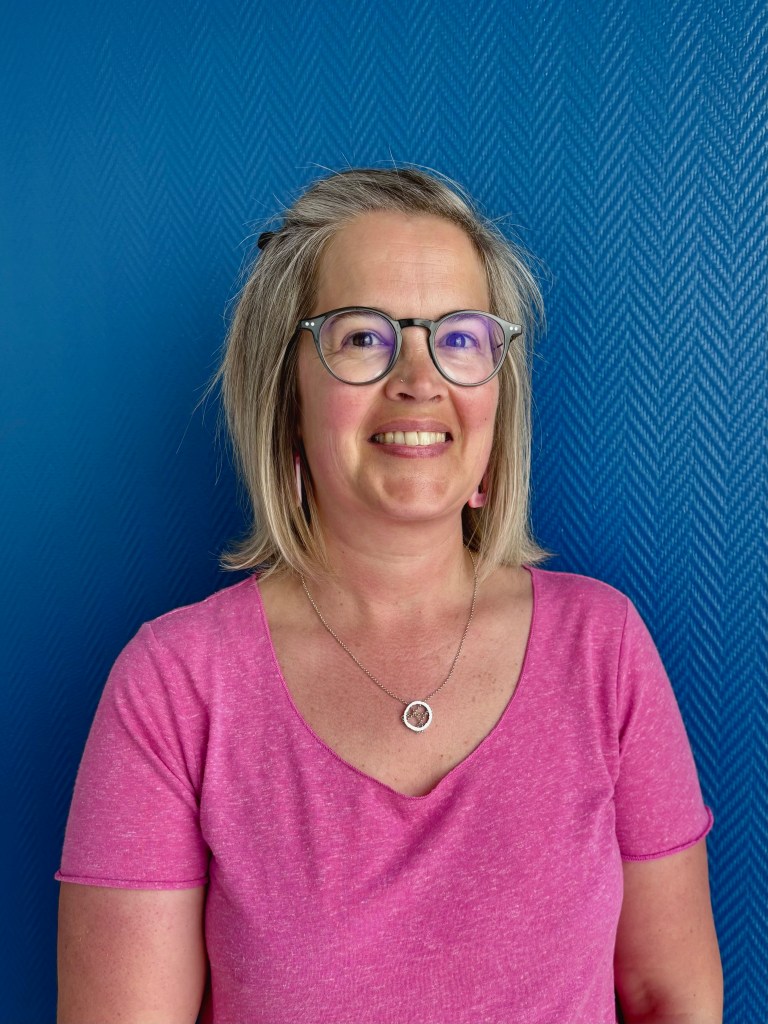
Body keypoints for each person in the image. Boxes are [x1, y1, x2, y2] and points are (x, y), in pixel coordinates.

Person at [56, 167, 723, 1024]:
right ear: (287, 395)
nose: (420, 378)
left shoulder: (604, 647)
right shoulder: (176, 687)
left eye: (461, 337)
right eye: (364, 337)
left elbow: (671, 997)